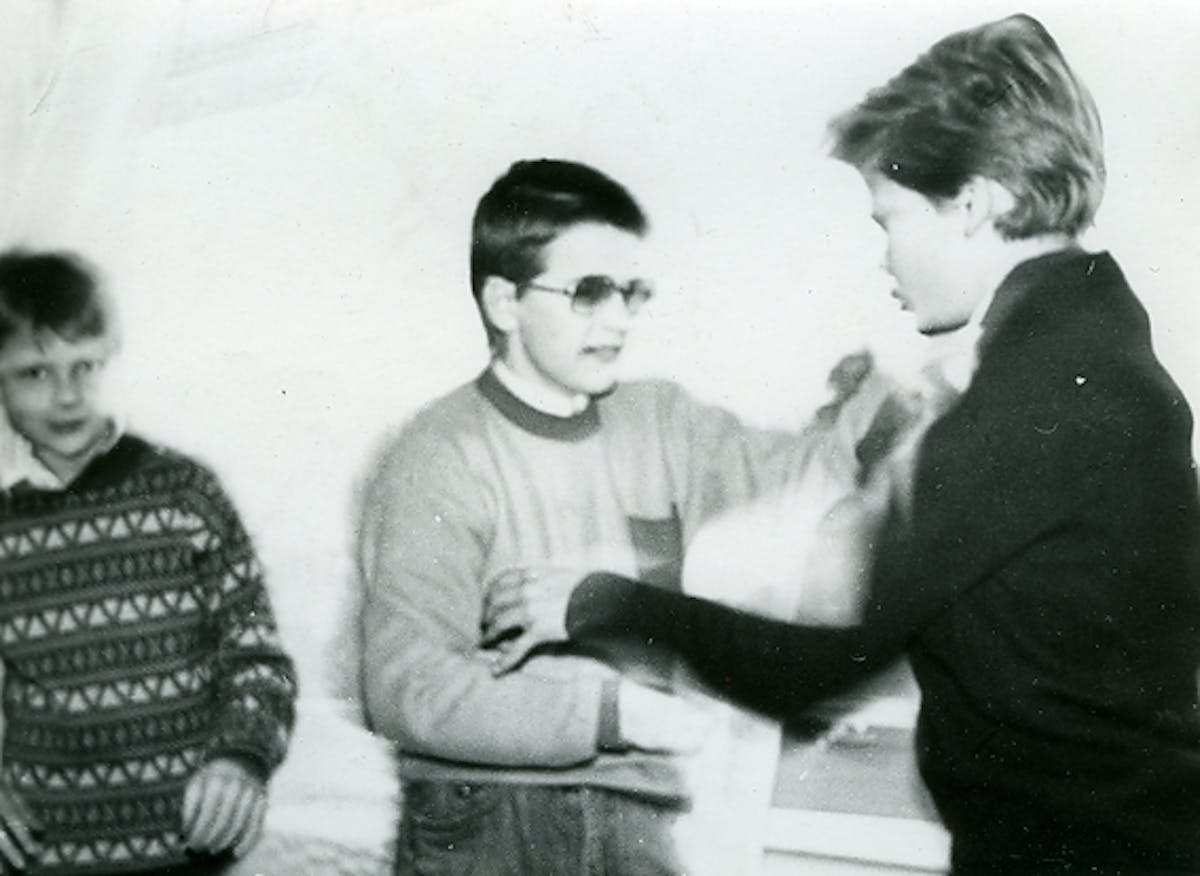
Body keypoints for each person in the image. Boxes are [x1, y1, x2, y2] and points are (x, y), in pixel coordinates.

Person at [482, 16, 1200, 876]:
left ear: (974, 204)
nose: (885, 258)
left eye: (889, 218)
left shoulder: (1027, 396)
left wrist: (602, 601)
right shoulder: (1100, 355)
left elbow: (810, 668)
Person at [355, 158, 896, 875]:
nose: (618, 320)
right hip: (489, 815)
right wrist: (610, 715)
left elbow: (806, 480)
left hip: (637, 816)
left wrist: (887, 389)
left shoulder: (661, 422)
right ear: (504, 303)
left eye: (630, 292)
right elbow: (406, 688)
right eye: (588, 293)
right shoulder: (439, 455)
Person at [0, 250, 298, 874]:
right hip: (41, 857)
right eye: (34, 372)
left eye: (85, 366)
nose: (66, 395)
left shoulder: (187, 494)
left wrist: (240, 759)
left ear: (113, 359)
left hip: (186, 852)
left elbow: (258, 660)